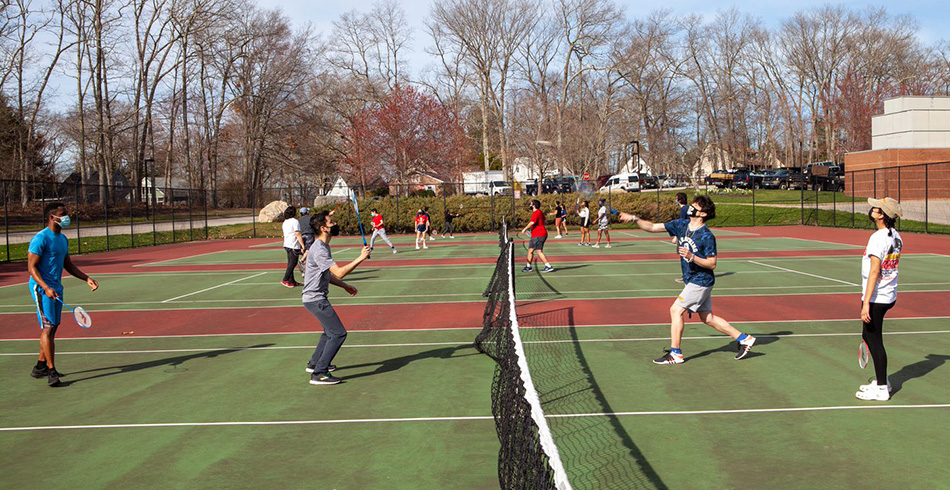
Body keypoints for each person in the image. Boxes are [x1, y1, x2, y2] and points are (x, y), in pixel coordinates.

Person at [619, 195, 756, 364]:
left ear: (703, 214)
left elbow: (712, 264)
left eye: (695, 207)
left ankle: (675, 353)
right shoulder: (681, 225)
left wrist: (692, 257)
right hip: (692, 279)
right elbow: (653, 227)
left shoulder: (706, 236)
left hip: (701, 280)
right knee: (707, 317)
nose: (690, 208)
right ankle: (744, 339)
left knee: (675, 310)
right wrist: (634, 218)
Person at [27, 202, 99, 386]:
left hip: (56, 287)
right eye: (63, 214)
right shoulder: (40, 238)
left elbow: (68, 265)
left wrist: (86, 278)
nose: (67, 217)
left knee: (54, 326)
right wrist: (45, 287)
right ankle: (51, 372)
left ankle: (40, 366)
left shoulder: (62, 239)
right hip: (41, 288)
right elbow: (31, 267)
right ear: (52, 217)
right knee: (48, 327)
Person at [303, 211, 372, 385]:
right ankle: (319, 373)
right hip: (316, 299)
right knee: (339, 333)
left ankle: (313, 364)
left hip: (314, 298)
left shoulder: (323, 246)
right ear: (323, 228)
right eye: (331, 222)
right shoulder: (319, 248)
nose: (334, 224)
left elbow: (327, 275)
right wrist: (361, 258)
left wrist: (345, 286)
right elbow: (339, 272)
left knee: (329, 332)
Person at [855, 197, 903, 401]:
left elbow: (875, 271)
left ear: (882, 215)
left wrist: (866, 302)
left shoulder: (878, 238)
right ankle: (883, 380)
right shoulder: (896, 236)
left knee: (874, 341)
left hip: (876, 297)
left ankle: (882, 388)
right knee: (868, 336)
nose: (872, 209)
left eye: (875, 208)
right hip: (888, 294)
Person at [521, 199, 554, 273]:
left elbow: (532, 222)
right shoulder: (539, 213)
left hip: (539, 235)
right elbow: (542, 221)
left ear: (534, 205)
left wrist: (524, 229)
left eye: (531, 204)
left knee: (539, 251)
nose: (530, 205)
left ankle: (548, 266)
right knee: (530, 250)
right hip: (535, 234)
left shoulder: (537, 212)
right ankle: (528, 266)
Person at [281, 206, 306, 288]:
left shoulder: (285, 222)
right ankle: (285, 279)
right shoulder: (295, 221)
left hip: (287, 244)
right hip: (293, 245)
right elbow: (297, 234)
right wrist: (302, 245)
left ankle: (291, 281)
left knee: (290, 263)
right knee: (293, 263)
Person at [673, 193, 689, 283]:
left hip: (684, 236)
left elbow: (681, 224)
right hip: (687, 235)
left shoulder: (684, 209)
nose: (675, 201)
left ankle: (685, 276)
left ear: (679, 200)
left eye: (676, 199)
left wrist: (676, 237)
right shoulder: (687, 208)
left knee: (684, 256)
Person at [296, 207, 315, 276]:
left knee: (305, 252)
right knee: (308, 251)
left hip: (301, 236)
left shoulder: (298, 220)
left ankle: (304, 271)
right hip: (309, 234)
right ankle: (301, 260)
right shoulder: (310, 218)